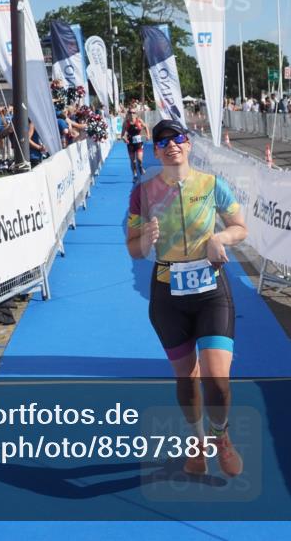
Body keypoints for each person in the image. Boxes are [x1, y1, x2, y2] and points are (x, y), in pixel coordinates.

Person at [126, 119, 248, 478]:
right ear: (155, 150)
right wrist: (146, 241)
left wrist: (220, 240)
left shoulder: (212, 185)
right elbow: (133, 249)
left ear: (188, 144)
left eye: (176, 138)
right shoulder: (143, 193)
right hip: (167, 295)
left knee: (217, 379)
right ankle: (197, 442)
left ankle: (221, 436)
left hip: (211, 290)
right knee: (186, 378)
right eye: (161, 141)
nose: (170, 145)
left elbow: (240, 227)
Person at [121, 110, 151, 181]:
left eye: (133, 112)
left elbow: (146, 127)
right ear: (128, 114)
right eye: (130, 113)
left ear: (136, 114)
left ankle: (140, 167)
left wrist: (148, 135)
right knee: (133, 161)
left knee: (139, 159)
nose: (132, 114)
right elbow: (122, 135)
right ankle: (134, 175)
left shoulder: (139, 121)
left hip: (138, 143)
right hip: (130, 143)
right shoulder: (126, 123)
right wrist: (124, 139)